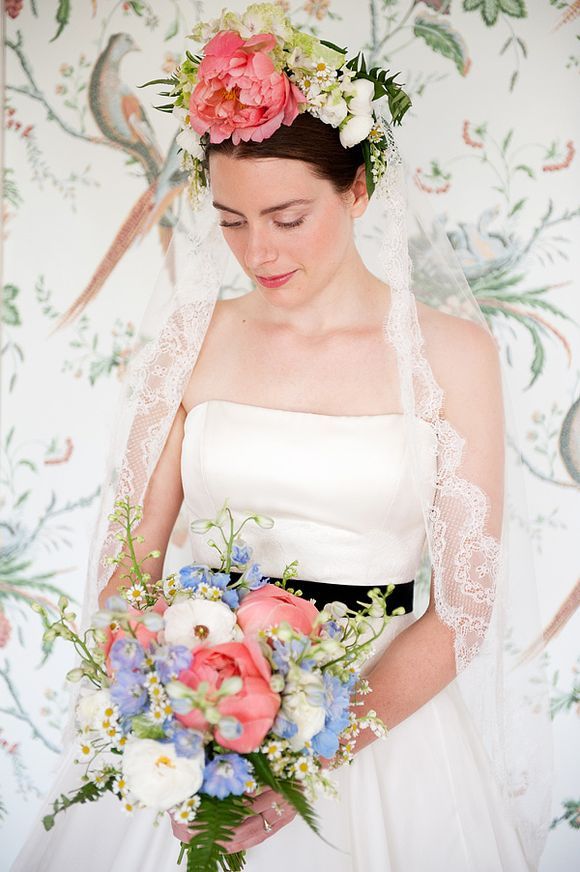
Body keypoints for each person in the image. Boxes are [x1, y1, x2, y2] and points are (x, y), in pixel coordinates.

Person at [11, 5, 552, 871]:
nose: (258, 250)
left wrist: (302, 758)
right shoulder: (191, 342)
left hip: (384, 737)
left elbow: (463, 612)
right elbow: (129, 566)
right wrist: (182, 716)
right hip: (200, 715)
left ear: (360, 189)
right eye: (230, 220)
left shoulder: (454, 355)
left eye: (288, 218)